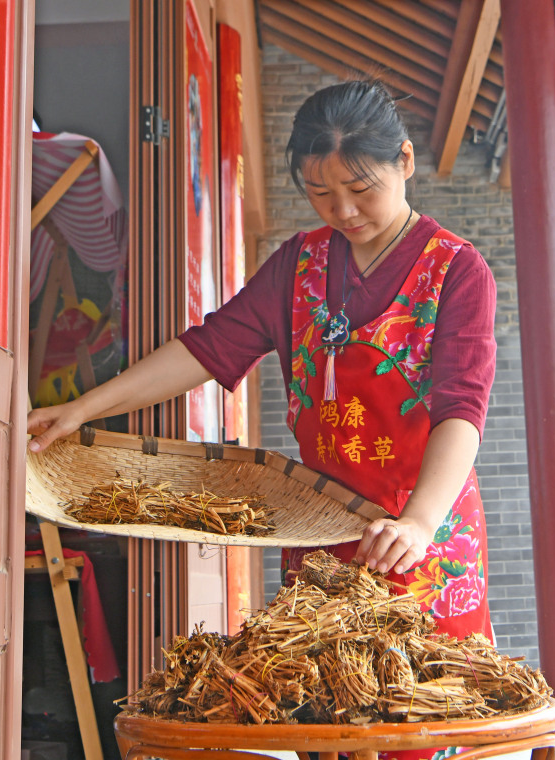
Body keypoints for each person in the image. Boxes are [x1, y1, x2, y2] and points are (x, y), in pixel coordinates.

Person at [28, 78, 497, 644]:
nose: (343, 211)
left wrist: (420, 522)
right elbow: (206, 349)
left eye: (360, 188)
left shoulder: (455, 270)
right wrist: (83, 409)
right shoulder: (298, 264)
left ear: (405, 161)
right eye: (320, 192)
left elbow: (460, 412)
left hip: (420, 533)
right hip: (316, 527)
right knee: (320, 705)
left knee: (423, 708)